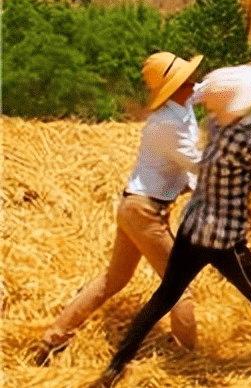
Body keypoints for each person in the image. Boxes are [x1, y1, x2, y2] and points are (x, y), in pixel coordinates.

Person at [95, 53, 251, 388]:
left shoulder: (216, 124)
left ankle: (114, 368)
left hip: (192, 229)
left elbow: (246, 120)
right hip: (224, 239)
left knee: (163, 298)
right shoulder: (241, 141)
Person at [35, 52, 204, 365]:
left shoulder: (182, 103)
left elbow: (213, 88)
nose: (194, 83)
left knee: (113, 280)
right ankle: (187, 360)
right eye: (186, 79)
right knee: (180, 287)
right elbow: (200, 165)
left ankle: (52, 340)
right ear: (174, 87)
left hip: (134, 206)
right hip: (145, 212)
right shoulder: (167, 125)